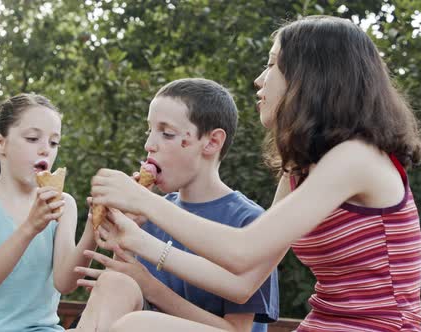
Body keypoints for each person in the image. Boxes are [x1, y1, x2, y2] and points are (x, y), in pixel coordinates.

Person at [91, 16, 421, 331]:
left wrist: (143, 201)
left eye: (271, 64)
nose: (259, 79)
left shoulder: (357, 157)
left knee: (138, 326)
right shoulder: (298, 170)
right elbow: (241, 282)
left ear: (310, 75)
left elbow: (242, 249)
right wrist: (137, 240)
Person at [71, 78, 279, 332]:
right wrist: (121, 239)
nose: (149, 145)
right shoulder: (146, 214)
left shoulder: (249, 222)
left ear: (212, 142)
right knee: (115, 283)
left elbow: (238, 330)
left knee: (137, 323)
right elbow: (124, 299)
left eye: (167, 133)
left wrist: (150, 286)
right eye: (149, 131)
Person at [0, 93, 97, 332]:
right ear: (0, 142)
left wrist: (93, 227)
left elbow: (64, 282)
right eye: (32, 138)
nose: (45, 150)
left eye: (53, 143)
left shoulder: (64, 204)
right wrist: (31, 227)